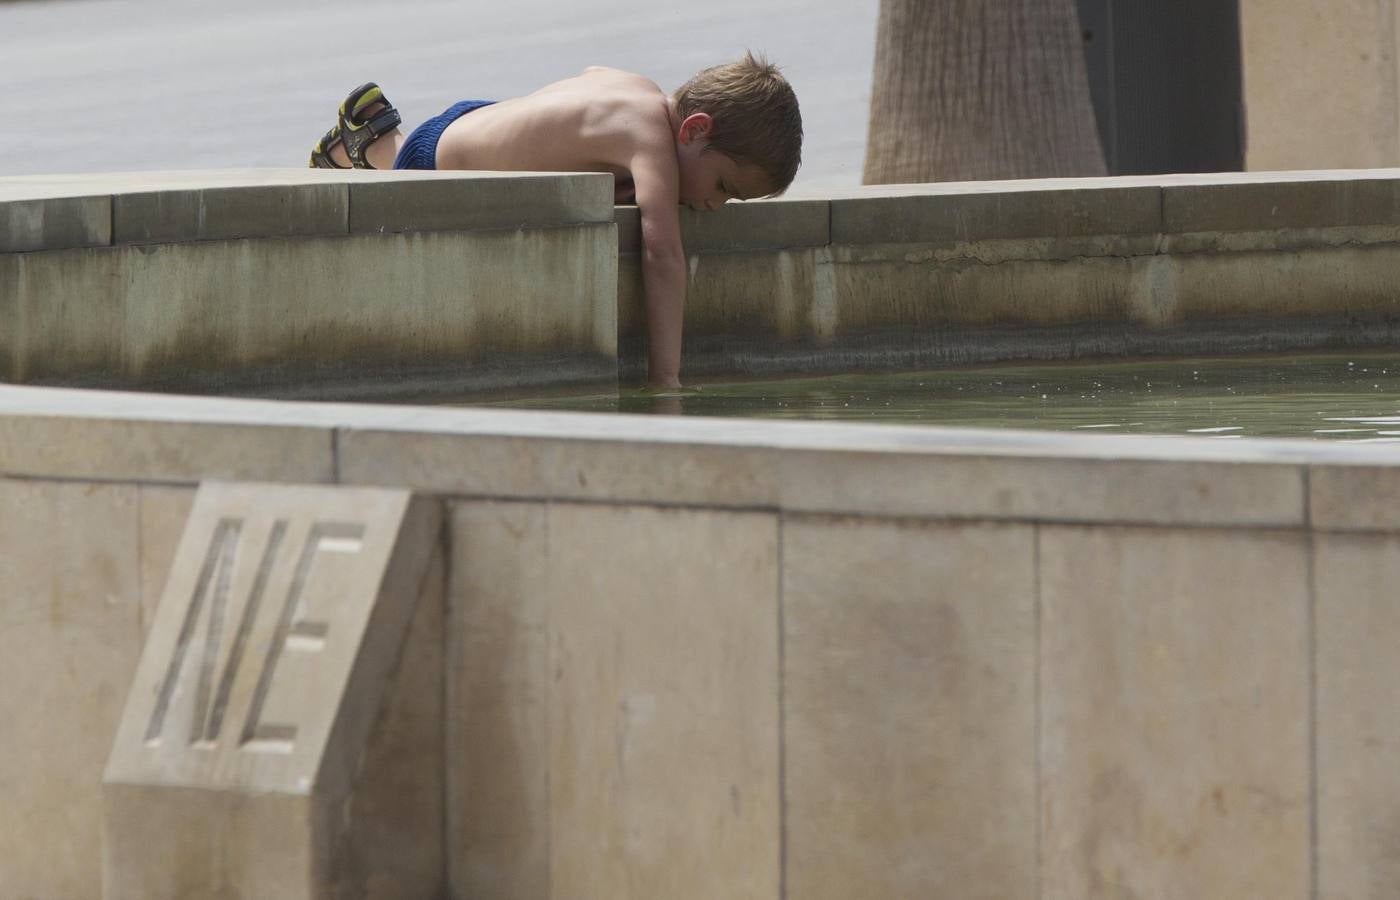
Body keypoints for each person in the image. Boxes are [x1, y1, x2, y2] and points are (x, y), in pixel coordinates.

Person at [308, 54, 803, 389]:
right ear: (695, 130)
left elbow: (592, 72)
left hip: (481, 117)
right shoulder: (649, 136)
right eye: (723, 187)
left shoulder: (640, 91)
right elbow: (662, 254)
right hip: (437, 156)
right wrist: (665, 380)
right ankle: (368, 139)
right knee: (395, 169)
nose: (715, 206)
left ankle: (364, 138)